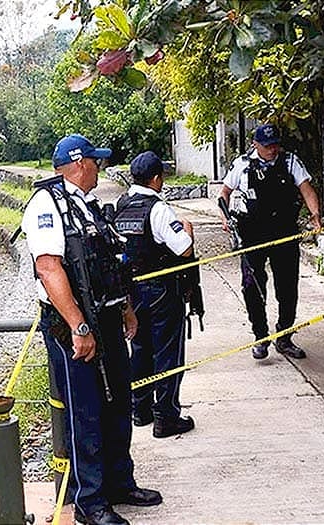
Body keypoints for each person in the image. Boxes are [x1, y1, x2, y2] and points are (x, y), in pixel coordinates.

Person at [20, 134, 162, 525]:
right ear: (80, 163)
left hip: (108, 320)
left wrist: (128, 311)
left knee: (117, 402)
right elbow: (49, 268)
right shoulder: (47, 205)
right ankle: (90, 501)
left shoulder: (91, 206)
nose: (99, 167)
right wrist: (78, 326)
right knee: (86, 412)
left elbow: (112, 264)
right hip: (74, 329)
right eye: (95, 162)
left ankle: (119, 483)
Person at [219, 124, 322, 360]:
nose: (272, 150)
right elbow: (223, 193)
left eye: (275, 144)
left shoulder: (289, 161)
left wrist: (315, 215)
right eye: (267, 146)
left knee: (287, 287)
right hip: (252, 232)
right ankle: (261, 337)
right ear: (255, 144)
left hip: (284, 230)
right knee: (252, 285)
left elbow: (306, 189)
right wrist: (225, 218)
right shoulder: (243, 164)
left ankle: (284, 337)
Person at [114, 151, 196, 439]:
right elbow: (183, 248)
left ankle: (140, 410)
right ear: (157, 179)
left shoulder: (120, 206)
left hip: (132, 292)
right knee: (167, 353)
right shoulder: (157, 209)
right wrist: (188, 229)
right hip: (162, 290)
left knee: (140, 350)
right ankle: (166, 418)